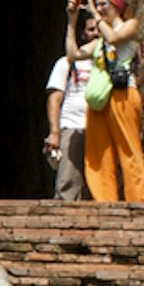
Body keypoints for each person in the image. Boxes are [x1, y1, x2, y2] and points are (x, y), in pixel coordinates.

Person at [82, 0, 144, 203]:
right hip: (102, 97)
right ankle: (105, 200)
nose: (99, 9)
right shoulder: (100, 40)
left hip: (123, 93)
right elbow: (73, 54)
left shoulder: (131, 25)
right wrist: (72, 20)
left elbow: (113, 38)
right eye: (98, 4)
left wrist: (93, 13)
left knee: (129, 148)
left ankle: (139, 199)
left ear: (116, 7)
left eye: (103, 4)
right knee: (98, 152)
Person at [41, 13, 90, 199]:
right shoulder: (67, 63)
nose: (95, 34)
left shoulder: (107, 63)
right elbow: (54, 98)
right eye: (91, 29)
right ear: (83, 34)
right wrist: (55, 132)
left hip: (102, 129)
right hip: (73, 126)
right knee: (69, 183)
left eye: (98, 30)